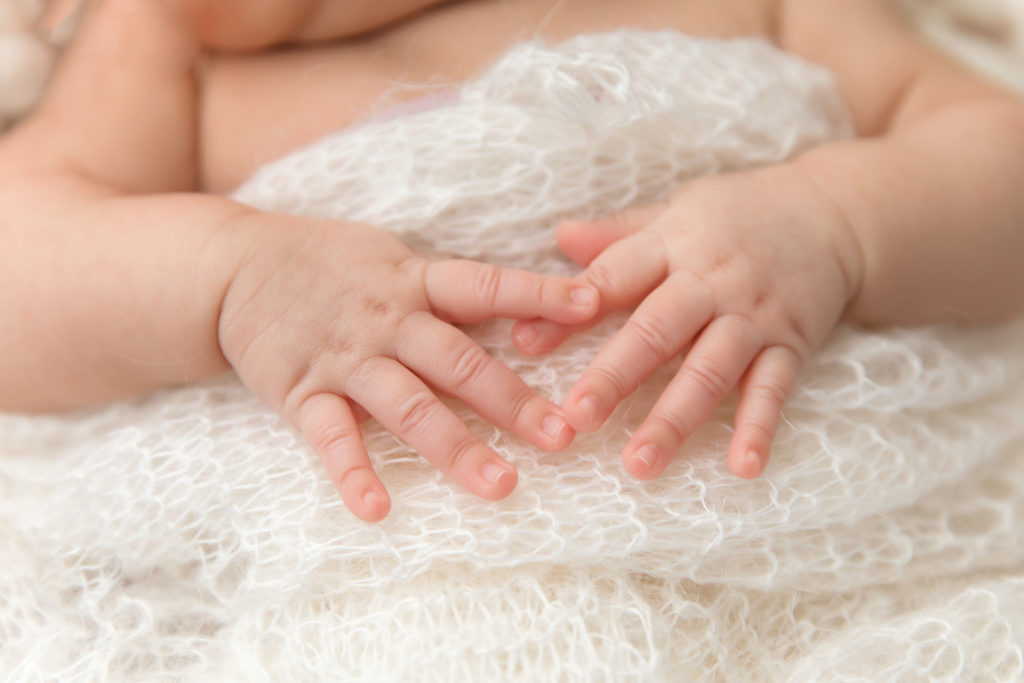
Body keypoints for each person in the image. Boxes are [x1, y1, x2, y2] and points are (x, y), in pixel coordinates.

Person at [1, 0, 1022, 523]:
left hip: (814, 526)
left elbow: (994, 153)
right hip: (373, 580)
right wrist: (226, 277)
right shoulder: (168, 48)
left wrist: (834, 220)